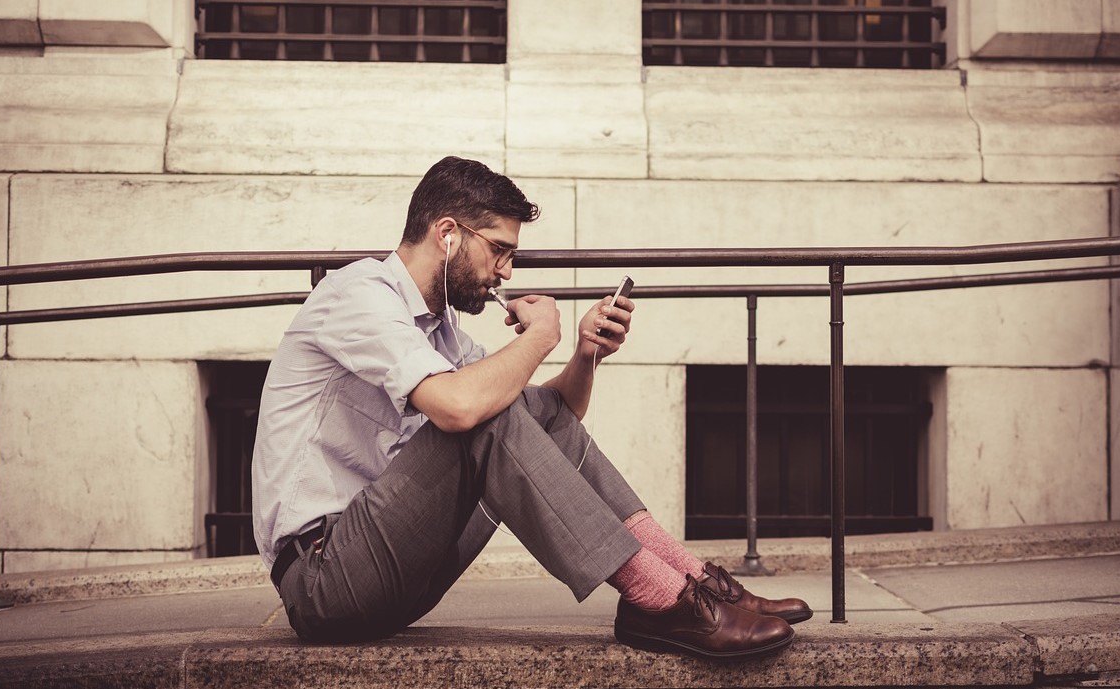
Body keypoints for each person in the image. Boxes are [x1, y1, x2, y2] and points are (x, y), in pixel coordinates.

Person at [251, 156, 812, 660]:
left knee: (510, 408)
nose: (507, 272)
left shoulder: (441, 330)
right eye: (499, 249)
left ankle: (693, 583)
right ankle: (659, 600)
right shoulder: (358, 295)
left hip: (397, 574)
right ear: (447, 234)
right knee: (477, 412)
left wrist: (585, 354)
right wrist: (538, 337)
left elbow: (548, 417)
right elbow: (460, 410)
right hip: (324, 577)